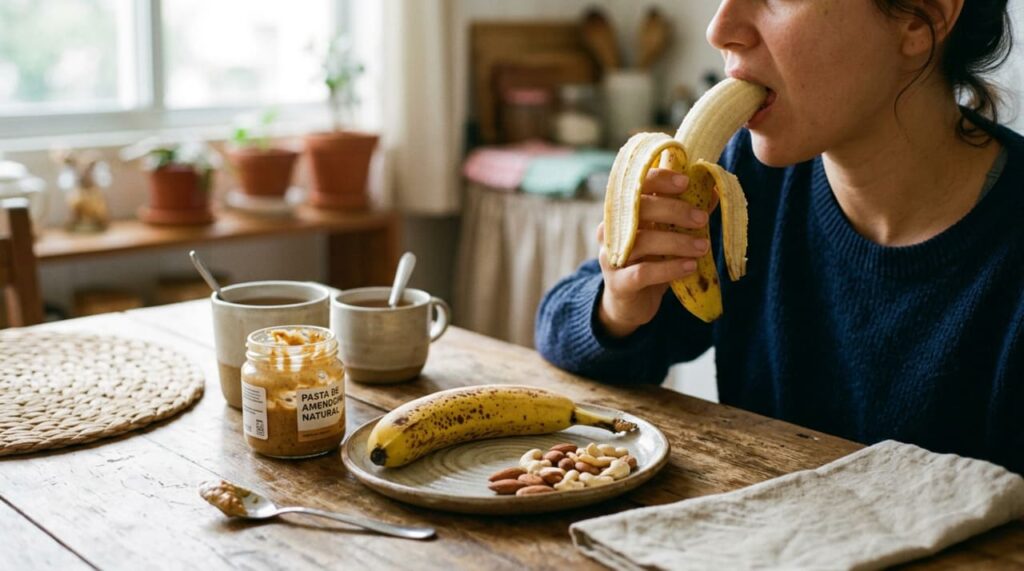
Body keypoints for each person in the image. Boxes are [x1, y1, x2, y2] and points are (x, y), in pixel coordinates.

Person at [535, 0, 1022, 475]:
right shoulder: (738, 180)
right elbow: (558, 329)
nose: (720, 28)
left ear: (923, 17)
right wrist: (620, 306)